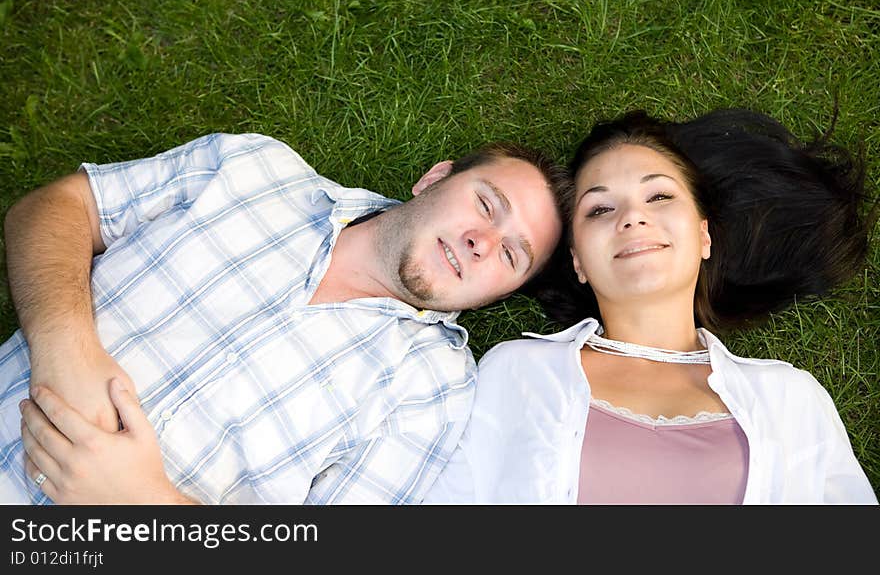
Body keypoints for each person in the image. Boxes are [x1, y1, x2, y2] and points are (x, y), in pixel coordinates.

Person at [0, 131, 567, 504]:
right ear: (435, 179)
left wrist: (145, 507)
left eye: (511, 255)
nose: (481, 242)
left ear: (502, 294)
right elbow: (56, 209)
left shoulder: (434, 393)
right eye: (486, 205)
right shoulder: (253, 168)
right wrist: (64, 352)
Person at [423, 109, 878, 504]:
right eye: (599, 209)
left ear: (703, 235)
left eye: (659, 196)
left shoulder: (791, 398)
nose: (632, 217)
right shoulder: (516, 373)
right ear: (578, 259)